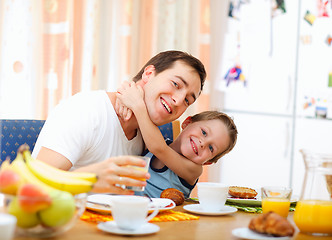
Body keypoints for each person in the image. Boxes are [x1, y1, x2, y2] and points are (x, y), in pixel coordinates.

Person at [32, 50, 206, 194]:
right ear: (149, 73)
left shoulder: (146, 137)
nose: (178, 100)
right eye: (176, 84)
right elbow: (34, 185)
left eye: (187, 101)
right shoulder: (86, 109)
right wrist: (89, 180)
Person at [116, 83, 238, 198]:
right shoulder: (154, 140)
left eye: (211, 148)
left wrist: (137, 105)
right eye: (204, 132)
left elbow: (159, 148)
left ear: (208, 162)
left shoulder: (194, 170)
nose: (203, 143)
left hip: (167, 219)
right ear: (187, 123)